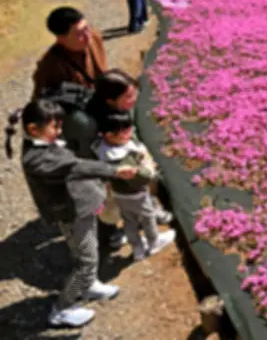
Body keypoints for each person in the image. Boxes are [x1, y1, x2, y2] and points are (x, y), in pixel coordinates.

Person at [17, 99, 138, 328]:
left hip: (83, 208)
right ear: (34, 129)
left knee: (85, 248)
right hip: (73, 212)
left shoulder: (43, 145)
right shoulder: (37, 159)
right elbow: (76, 167)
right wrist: (113, 171)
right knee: (86, 261)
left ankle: (90, 285)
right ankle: (62, 308)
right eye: (55, 127)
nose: (60, 132)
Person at [30, 7, 126, 250]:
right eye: (79, 34)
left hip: (104, 115)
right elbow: (41, 106)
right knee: (96, 179)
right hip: (81, 130)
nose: (87, 36)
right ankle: (107, 230)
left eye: (87, 28)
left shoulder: (94, 38)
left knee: (122, 164)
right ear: (60, 38)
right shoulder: (49, 66)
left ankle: (129, 209)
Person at [85, 69, 173, 225]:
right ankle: (113, 230)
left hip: (131, 158)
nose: (134, 99)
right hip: (117, 168)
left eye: (134, 93)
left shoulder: (119, 109)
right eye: (128, 97)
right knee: (122, 198)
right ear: (111, 101)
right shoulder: (102, 123)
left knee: (144, 187)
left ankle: (150, 211)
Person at [94, 113, 176, 261]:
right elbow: (145, 176)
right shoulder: (125, 155)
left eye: (130, 129)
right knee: (148, 218)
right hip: (136, 194)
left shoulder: (101, 148)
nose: (130, 134)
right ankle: (154, 242)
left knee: (129, 221)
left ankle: (137, 248)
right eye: (125, 132)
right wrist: (145, 163)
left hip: (118, 194)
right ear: (110, 135)